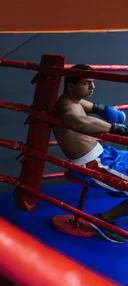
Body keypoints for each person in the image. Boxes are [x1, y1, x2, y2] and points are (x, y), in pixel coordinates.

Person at [52, 63, 128, 243]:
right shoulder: (66, 109)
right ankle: (103, 219)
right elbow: (79, 122)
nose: (92, 87)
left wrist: (102, 109)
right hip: (93, 165)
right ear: (71, 86)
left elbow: (86, 106)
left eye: (93, 83)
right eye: (86, 83)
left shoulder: (73, 100)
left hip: (105, 155)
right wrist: (118, 129)